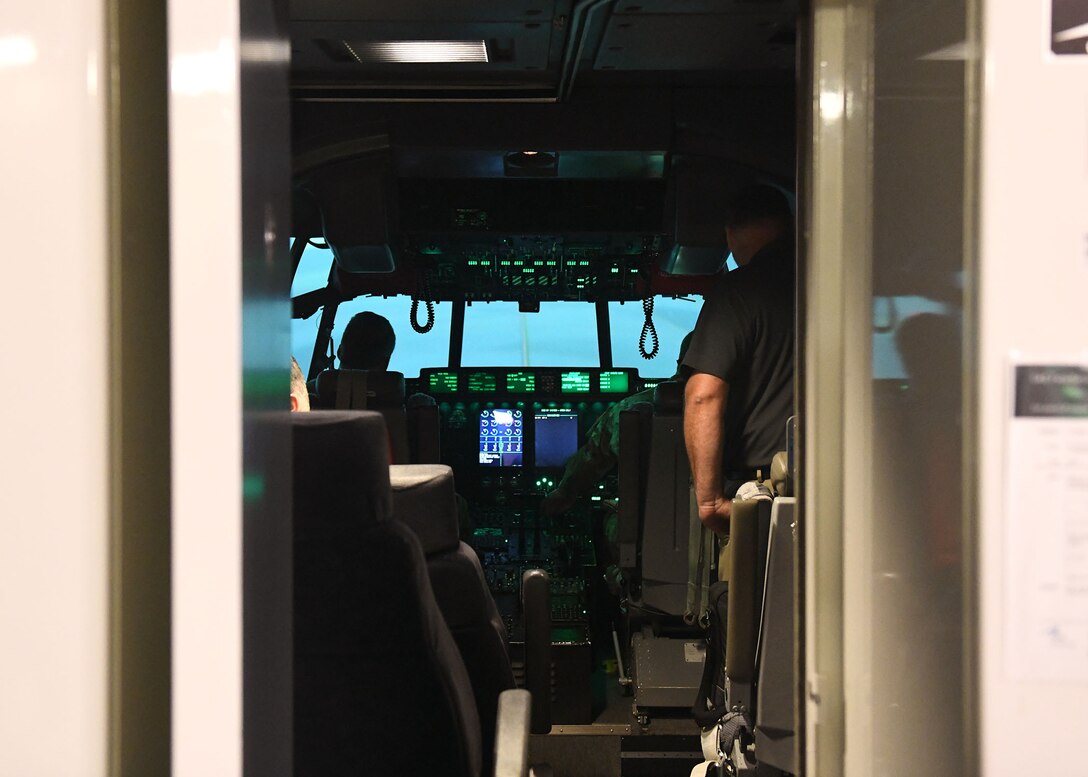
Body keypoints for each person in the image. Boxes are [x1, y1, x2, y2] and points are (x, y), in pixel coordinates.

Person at [683, 184, 795, 535]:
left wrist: (709, 502)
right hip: (841, 489)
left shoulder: (739, 291)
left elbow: (703, 394)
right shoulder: (835, 285)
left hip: (766, 496)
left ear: (730, 234)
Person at [540, 332, 694, 517]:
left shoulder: (628, 408)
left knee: (605, 519)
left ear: (680, 363)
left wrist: (565, 492)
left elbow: (591, 458)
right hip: (710, 526)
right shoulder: (733, 411)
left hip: (643, 524)